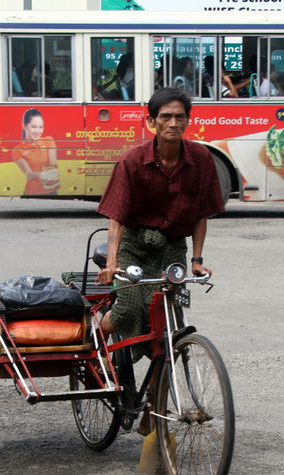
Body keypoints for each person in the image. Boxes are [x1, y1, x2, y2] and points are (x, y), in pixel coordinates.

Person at [95, 88, 224, 435]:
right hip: (134, 246)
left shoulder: (200, 160)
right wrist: (111, 263)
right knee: (129, 308)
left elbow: (201, 215)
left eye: (179, 116)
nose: (172, 122)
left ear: (188, 121)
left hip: (172, 249)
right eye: (165, 116)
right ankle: (96, 336)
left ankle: (155, 405)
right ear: (150, 121)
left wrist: (197, 260)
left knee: (169, 328)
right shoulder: (133, 160)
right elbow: (117, 217)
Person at [12, 108, 59, 195]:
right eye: (33, 127)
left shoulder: (49, 141)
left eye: (40, 127)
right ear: (24, 126)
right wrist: (42, 175)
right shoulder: (18, 150)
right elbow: (29, 173)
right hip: (32, 192)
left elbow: (53, 165)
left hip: (51, 190)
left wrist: (44, 175)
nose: (37, 131)